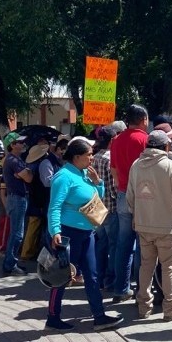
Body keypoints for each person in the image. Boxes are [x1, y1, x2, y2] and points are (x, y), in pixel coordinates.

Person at [45, 138, 124, 332]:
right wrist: (55, 231)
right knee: (62, 276)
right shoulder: (63, 177)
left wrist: (98, 183)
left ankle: (99, 316)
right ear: (76, 157)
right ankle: (53, 318)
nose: (92, 158)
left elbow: (95, 198)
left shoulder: (84, 173)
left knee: (92, 275)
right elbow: (54, 207)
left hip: (87, 233)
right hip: (67, 234)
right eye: (89, 155)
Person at [127, 130, 172, 321]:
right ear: (166, 146)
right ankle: (171, 309)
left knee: (146, 266)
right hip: (167, 226)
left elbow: (130, 196)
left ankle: (143, 307)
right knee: (170, 267)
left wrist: (138, 214)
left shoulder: (136, 165)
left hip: (143, 225)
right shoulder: (170, 166)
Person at [110, 104, 149, 303]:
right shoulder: (145, 140)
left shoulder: (116, 140)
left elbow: (114, 170)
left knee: (123, 243)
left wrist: (121, 187)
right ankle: (142, 290)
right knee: (143, 245)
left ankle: (121, 288)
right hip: (143, 196)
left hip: (123, 194)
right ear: (143, 119)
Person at [2, 132, 32, 275]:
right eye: (19, 142)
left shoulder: (16, 159)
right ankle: (10, 265)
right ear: (12, 145)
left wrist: (25, 173)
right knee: (17, 234)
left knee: (17, 233)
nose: (23, 144)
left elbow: (27, 176)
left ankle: (11, 262)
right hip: (17, 199)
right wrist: (25, 173)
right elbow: (29, 178)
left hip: (18, 198)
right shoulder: (13, 160)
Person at [92, 126, 119, 291]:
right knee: (113, 245)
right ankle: (110, 280)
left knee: (101, 243)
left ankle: (98, 277)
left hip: (96, 207)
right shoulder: (110, 158)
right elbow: (114, 186)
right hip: (110, 206)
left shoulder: (93, 157)